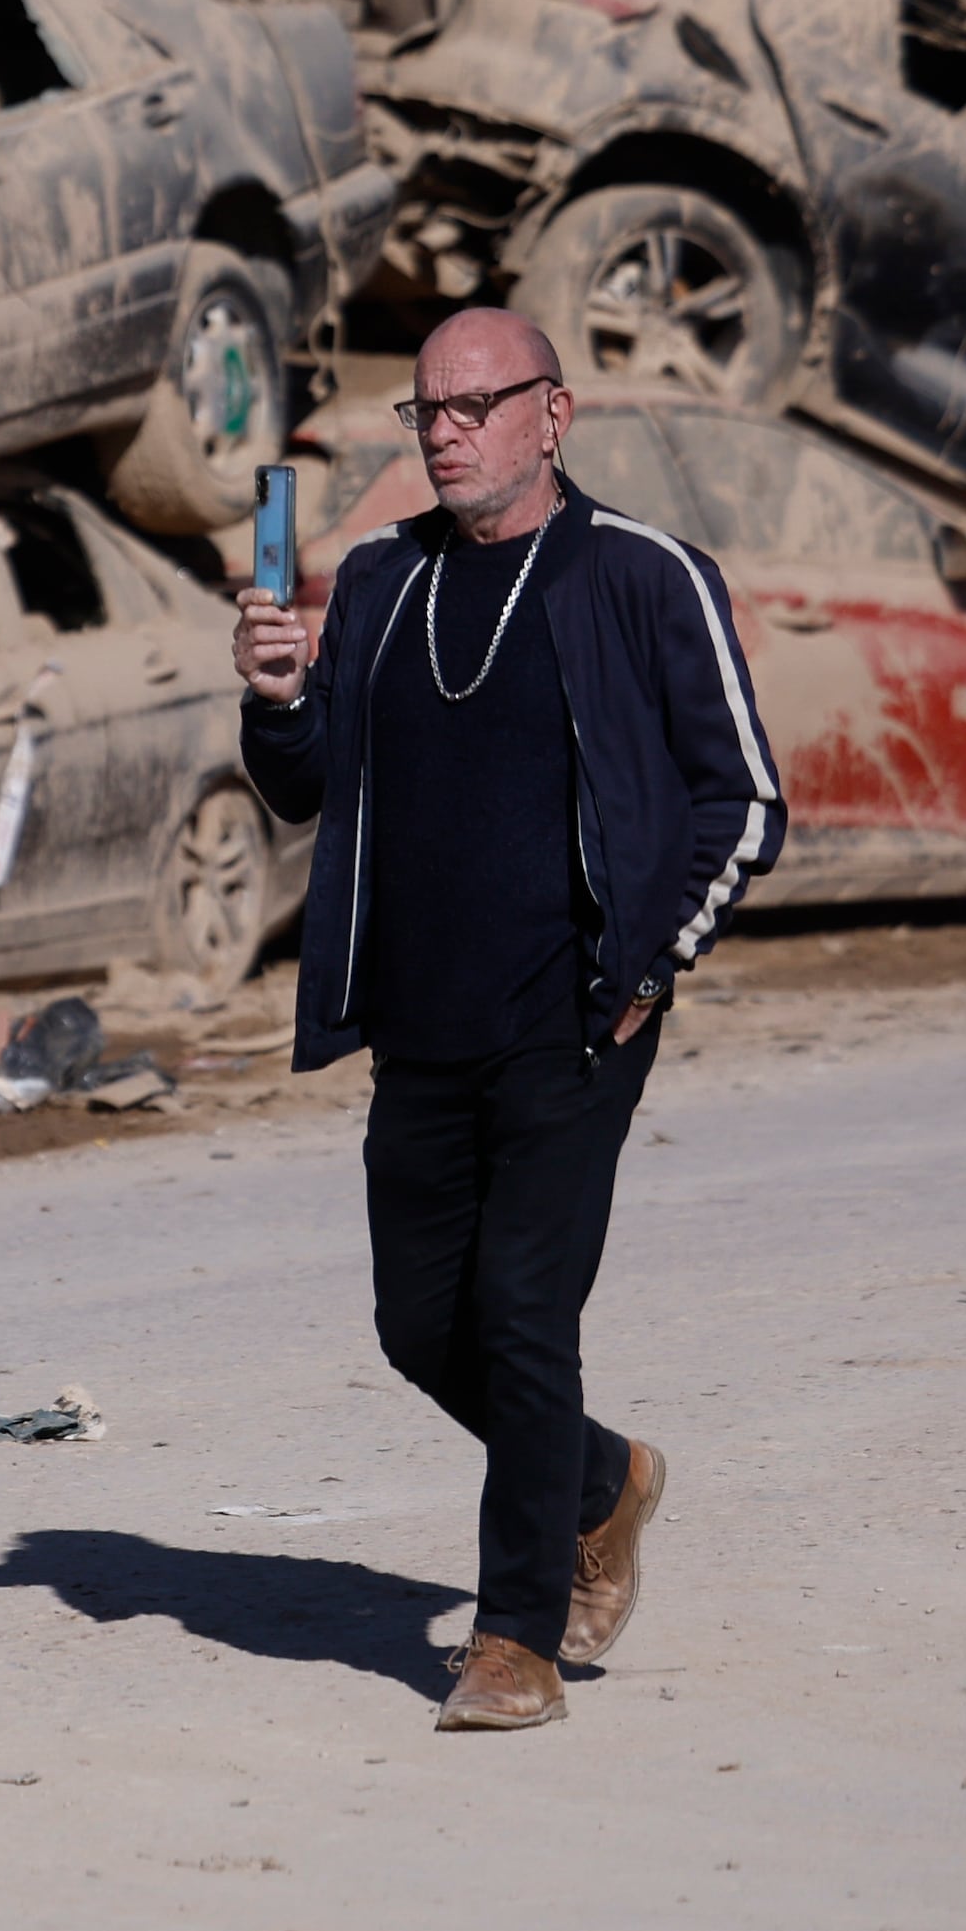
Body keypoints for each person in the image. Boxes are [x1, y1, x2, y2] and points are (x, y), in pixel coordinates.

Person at [230, 311, 782, 1732]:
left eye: (478, 404)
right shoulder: (379, 578)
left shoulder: (643, 575)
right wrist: (279, 698)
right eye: (429, 409)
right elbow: (307, 783)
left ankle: (514, 1637)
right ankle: (602, 1478)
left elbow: (745, 798)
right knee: (422, 1326)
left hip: (577, 1021)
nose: (449, 430)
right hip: (420, 1024)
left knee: (525, 1315)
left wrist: (652, 966)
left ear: (554, 412)